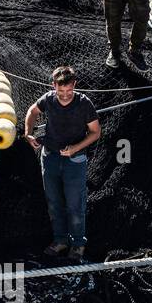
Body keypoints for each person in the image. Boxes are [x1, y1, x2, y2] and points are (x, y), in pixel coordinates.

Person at [24, 65, 101, 262]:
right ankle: (60, 240)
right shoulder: (48, 99)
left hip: (74, 161)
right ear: (53, 86)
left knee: (75, 204)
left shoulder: (84, 104)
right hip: (49, 157)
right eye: (61, 91)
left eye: (69, 90)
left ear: (74, 85)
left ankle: (77, 244)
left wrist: (75, 148)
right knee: (54, 202)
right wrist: (28, 132)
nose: (65, 95)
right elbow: (32, 112)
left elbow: (95, 132)